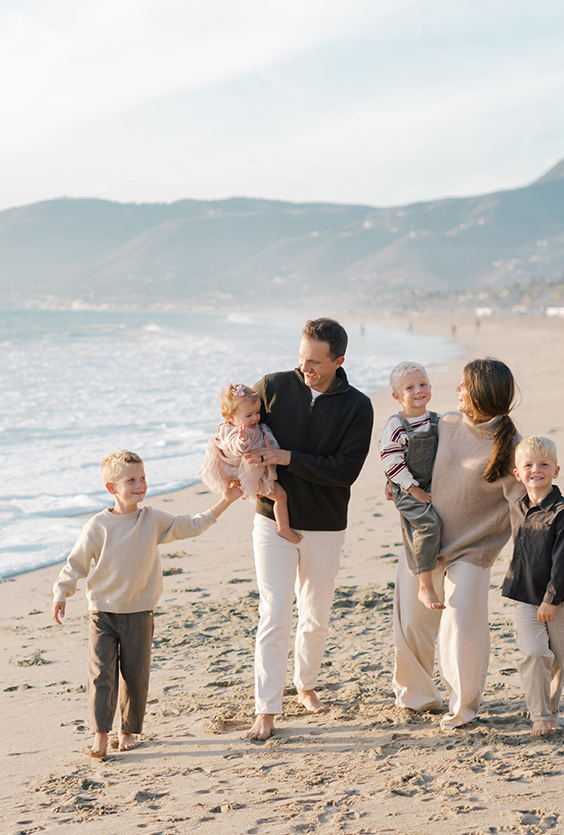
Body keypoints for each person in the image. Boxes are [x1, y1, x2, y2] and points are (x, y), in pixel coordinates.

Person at [52, 449, 238, 758]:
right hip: (103, 613)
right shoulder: (98, 526)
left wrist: (227, 500)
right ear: (111, 488)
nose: (140, 484)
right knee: (101, 676)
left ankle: (127, 731)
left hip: (139, 612)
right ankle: (100, 736)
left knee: (136, 677)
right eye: (131, 480)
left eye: (143, 478)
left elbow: (190, 525)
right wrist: (61, 592)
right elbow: (77, 563)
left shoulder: (151, 519)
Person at [244, 318, 374, 740]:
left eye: (316, 362)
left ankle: (306, 685)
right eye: (302, 358)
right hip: (271, 521)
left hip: (325, 525)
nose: (305, 368)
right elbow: (239, 423)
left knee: (315, 617)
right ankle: (266, 708)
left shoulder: (358, 406)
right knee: (275, 612)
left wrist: (286, 457)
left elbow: (345, 472)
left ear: (339, 361)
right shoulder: (274, 385)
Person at [391, 358, 525, 729]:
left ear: (481, 393)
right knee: (412, 623)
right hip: (425, 541)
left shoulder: (512, 445)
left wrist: (527, 558)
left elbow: (521, 506)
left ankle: (464, 708)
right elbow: (414, 462)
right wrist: (396, 484)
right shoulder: (446, 423)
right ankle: (417, 699)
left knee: (462, 623)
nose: (457, 391)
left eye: (464, 386)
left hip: (474, 550)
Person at [502, 436, 564, 737]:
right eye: (528, 465)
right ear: (517, 473)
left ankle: (549, 713)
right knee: (536, 653)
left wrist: (551, 598)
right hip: (524, 593)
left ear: (556, 471)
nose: (536, 470)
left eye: (544, 464)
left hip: (559, 600)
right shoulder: (517, 507)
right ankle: (539, 716)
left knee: (558, 661)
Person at [199, 382, 300, 544]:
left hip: (255, 472)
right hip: (247, 475)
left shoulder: (253, 426)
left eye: (257, 413)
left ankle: (283, 527)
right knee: (280, 496)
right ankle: (284, 529)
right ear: (231, 418)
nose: (255, 418)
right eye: (249, 415)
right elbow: (236, 447)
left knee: (280, 495)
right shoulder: (229, 430)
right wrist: (242, 440)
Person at [379, 362, 443, 610]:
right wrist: (411, 488)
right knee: (429, 524)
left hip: (433, 483)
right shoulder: (397, 425)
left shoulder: (436, 420)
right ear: (397, 396)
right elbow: (390, 460)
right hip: (407, 486)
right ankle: (425, 586)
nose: (419, 390)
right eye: (410, 387)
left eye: (423, 384)